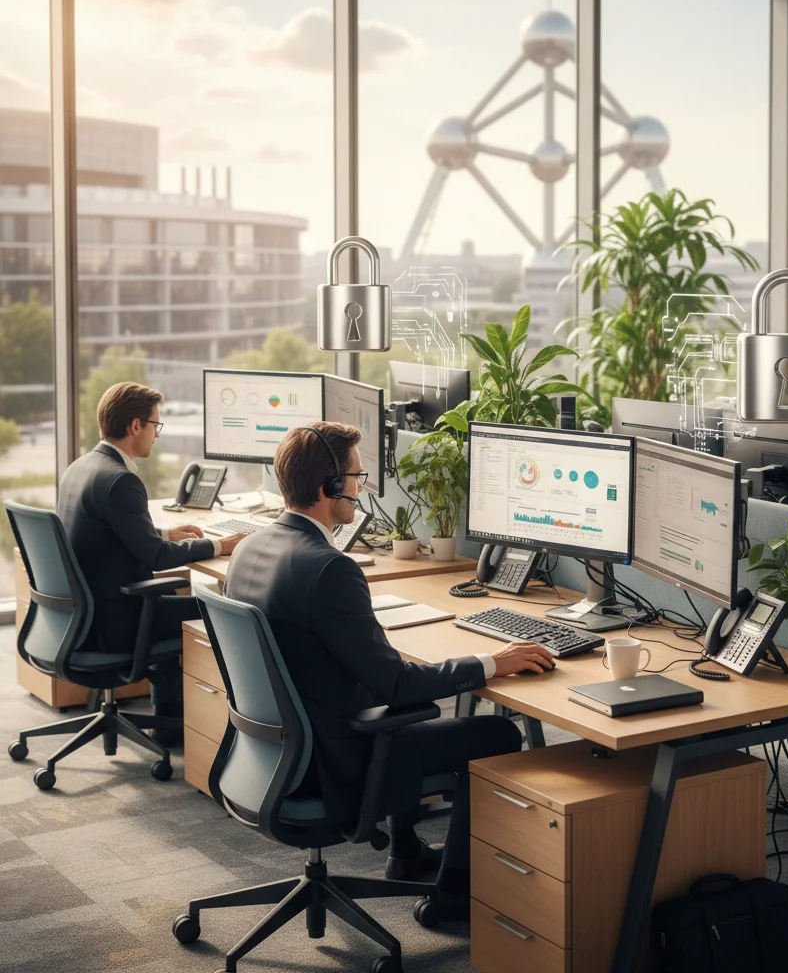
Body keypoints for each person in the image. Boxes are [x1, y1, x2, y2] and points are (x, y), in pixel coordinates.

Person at [223, 421, 555, 909]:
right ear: (329, 487)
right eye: (356, 477)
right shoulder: (330, 567)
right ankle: (454, 894)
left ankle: (405, 850)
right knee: (498, 735)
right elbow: (396, 686)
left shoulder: (252, 546)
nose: (360, 489)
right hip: (330, 763)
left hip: (275, 752)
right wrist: (494, 662)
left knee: (409, 710)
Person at [57, 382, 244, 737]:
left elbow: (105, 534)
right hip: (115, 622)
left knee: (178, 600)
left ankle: (169, 722)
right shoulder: (121, 480)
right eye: (156, 426)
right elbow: (157, 558)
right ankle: (207, 730)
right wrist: (220, 545)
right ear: (135, 427)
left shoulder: (82, 467)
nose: (157, 436)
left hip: (83, 616)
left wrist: (163, 533)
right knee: (223, 612)